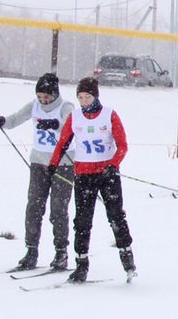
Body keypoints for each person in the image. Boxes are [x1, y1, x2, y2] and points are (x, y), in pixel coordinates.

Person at [48, 76, 135, 282]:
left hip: (107, 175)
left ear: (95, 96)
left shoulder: (109, 115)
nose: (84, 101)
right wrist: (53, 164)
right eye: (80, 97)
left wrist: (113, 165)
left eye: (87, 97)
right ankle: (81, 265)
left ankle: (127, 259)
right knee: (82, 220)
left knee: (115, 217)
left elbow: (122, 145)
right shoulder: (75, 117)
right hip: (83, 175)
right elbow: (62, 143)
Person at [0, 72, 75, 271]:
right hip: (38, 163)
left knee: (58, 210)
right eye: (40, 96)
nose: (43, 100)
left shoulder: (66, 107)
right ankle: (31, 251)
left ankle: (61, 253)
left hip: (63, 164)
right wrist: (2, 121)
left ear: (55, 94)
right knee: (34, 208)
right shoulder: (35, 106)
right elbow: (15, 119)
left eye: (47, 97)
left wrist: (54, 124)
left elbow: (70, 127)